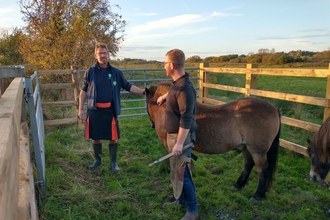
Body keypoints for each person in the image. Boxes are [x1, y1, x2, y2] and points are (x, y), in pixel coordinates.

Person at [78, 42, 145, 172]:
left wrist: (143, 91)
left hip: (110, 110)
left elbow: (128, 86)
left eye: (105, 53)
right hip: (94, 110)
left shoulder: (116, 73)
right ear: (95, 55)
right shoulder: (90, 72)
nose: (103, 56)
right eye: (100, 53)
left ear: (109, 54)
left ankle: (113, 163)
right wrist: (80, 108)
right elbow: (83, 91)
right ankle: (97, 161)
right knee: (96, 137)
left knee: (113, 137)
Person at [157, 49, 199, 220]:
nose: (164, 66)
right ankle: (180, 199)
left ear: (172, 65)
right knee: (176, 171)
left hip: (180, 138)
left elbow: (187, 118)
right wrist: (166, 96)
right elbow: (176, 90)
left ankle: (192, 210)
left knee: (183, 173)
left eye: (165, 63)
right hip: (174, 136)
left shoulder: (184, 89)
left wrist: (180, 143)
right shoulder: (177, 82)